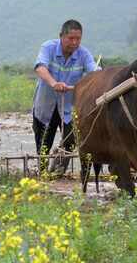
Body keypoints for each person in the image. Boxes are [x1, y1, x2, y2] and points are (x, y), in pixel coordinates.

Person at [32, 19, 100, 175]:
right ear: (61, 36)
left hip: (69, 107)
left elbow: (95, 71)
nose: (74, 42)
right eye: (71, 38)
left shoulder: (84, 54)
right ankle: (42, 173)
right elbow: (40, 67)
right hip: (46, 105)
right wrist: (53, 83)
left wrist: (98, 77)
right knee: (43, 142)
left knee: (71, 139)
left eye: (78, 39)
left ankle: (59, 170)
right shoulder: (48, 47)